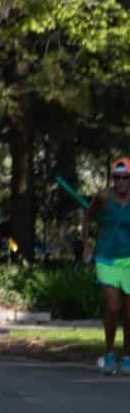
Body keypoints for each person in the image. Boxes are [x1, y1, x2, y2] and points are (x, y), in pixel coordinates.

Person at [83, 157, 130, 375]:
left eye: (125, 178)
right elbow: (88, 218)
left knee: (129, 313)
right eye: (117, 177)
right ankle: (110, 353)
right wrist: (86, 247)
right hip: (106, 258)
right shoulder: (103, 196)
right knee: (113, 307)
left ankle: (128, 356)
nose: (120, 182)